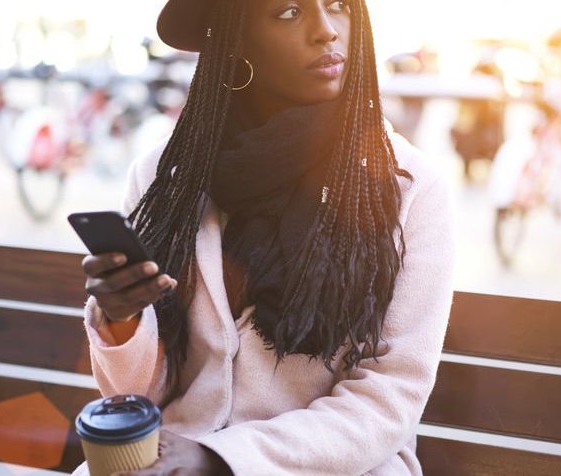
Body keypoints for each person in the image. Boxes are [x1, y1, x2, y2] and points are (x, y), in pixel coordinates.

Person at [73, 0, 455, 474]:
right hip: (173, 456)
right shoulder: (165, 177)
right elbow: (133, 397)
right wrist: (122, 320)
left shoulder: (408, 187)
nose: (326, 31)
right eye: (290, 12)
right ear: (236, 41)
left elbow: (388, 400)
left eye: (338, 6)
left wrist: (222, 460)